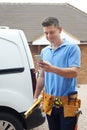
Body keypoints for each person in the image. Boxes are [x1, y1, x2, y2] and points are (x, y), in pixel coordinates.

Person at [34, 17, 81, 130]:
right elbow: (42, 76)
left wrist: (52, 69)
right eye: (46, 33)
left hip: (67, 104)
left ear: (59, 30)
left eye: (51, 32)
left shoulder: (72, 48)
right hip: (50, 103)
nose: (49, 36)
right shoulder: (45, 51)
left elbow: (74, 72)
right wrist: (35, 96)